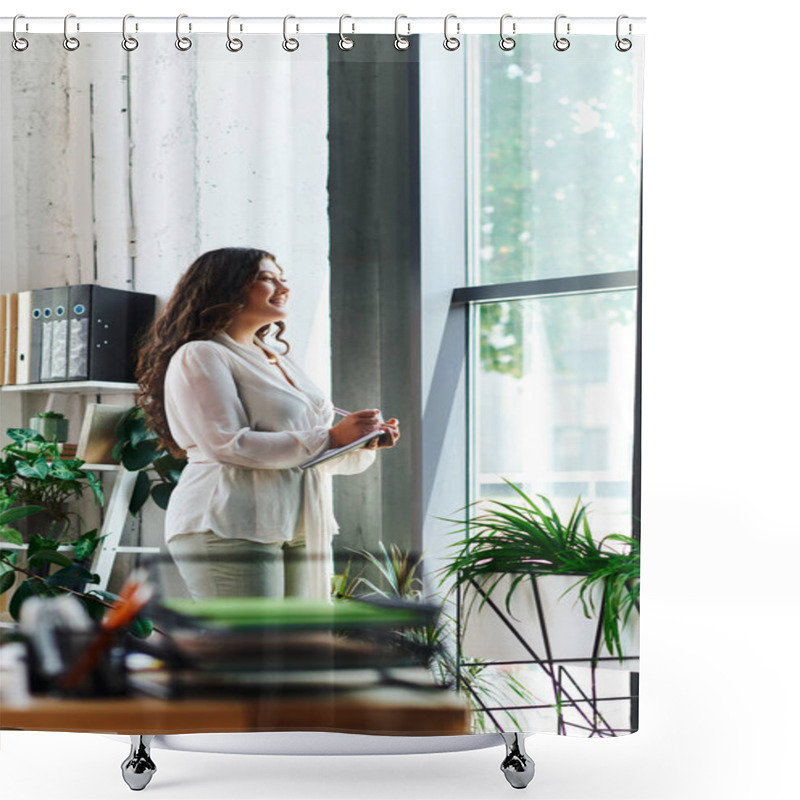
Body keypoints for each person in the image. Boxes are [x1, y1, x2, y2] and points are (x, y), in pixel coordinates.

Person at [135, 247, 399, 601]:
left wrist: (360, 441)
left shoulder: (279, 359)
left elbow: (311, 452)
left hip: (297, 521)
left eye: (282, 278)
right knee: (249, 653)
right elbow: (226, 443)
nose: (282, 287)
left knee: (296, 652)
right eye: (266, 278)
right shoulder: (201, 354)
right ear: (226, 286)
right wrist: (333, 437)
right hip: (228, 522)